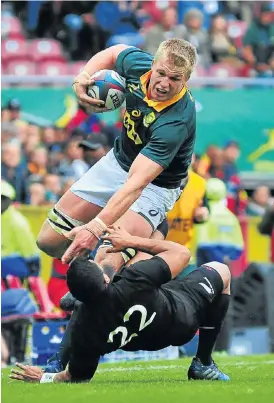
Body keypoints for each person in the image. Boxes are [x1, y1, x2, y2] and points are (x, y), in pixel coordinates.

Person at [36, 39, 197, 277]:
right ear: (153, 64)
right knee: (49, 241)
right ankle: (104, 274)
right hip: (118, 161)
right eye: (161, 73)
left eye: (174, 79)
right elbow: (113, 53)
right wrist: (83, 76)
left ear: (185, 80)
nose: (164, 84)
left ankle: (110, 275)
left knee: (106, 262)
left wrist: (96, 228)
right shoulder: (139, 66)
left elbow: (136, 185)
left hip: (156, 185)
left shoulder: (176, 121)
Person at [10, 226, 231, 384]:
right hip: (181, 317)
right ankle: (203, 362)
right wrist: (129, 242)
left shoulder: (84, 332)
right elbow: (182, 253)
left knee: (141, 255)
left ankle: (57, 358)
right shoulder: (132, 280)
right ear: (106, 279)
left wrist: (44, 378)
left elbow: (76, 377)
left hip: (140, 340)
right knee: (221, 270)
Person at [166, 161, 209, 277]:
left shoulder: (199, 183)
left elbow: (204, 210)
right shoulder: (158, 177)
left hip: (185, 251)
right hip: (158, 251)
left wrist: (202, 215)